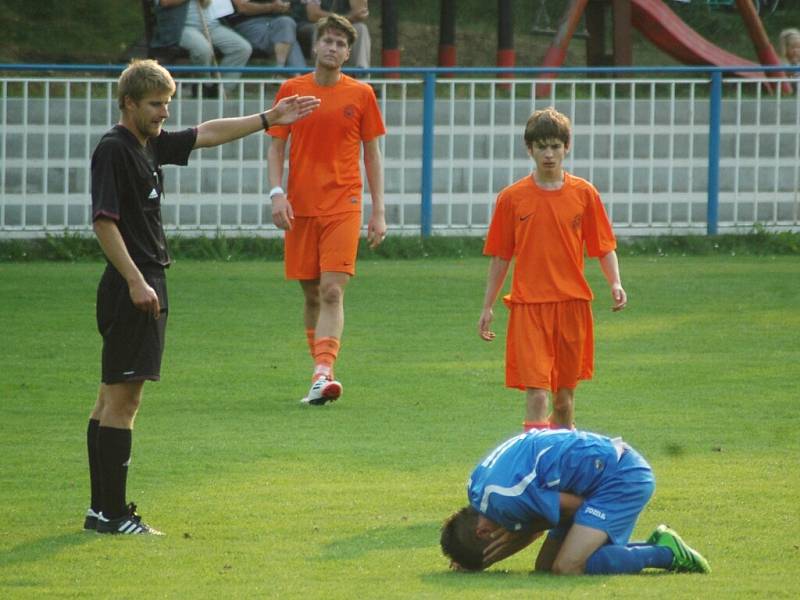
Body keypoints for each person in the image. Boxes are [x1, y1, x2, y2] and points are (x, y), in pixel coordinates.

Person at [84, 59, 319, 535]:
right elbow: (103, 221)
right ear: (128, 103)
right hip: (136, 285)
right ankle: (113, 513)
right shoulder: (115, 149)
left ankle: (100, 511)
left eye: (167, 105)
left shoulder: (146, 143)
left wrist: (268, 119)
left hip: (142, 281)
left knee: (108, 400)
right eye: (155, 105)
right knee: (123, 404)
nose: (163, 114)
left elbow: (206, 133)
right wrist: (134, 279)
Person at [478, 107, 627, 432]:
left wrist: (615, 282)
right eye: (542, 146)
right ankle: (537, 463)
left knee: (563, 398)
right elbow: (501, 256)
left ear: (566, 147)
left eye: (555, 146)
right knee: (536, 391)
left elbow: (603, 245)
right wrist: (488, 305)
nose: (549, 154)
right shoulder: (512, 199)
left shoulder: (584, 194)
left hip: (572, 306)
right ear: (529, 149)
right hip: (529, 307)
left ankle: (561, 462)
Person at [267, 13, 386, 405]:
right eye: (327, 41)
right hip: (300, 207)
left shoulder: (361, 95)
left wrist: (378, 210)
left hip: (344, 205)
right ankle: (322, 372)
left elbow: (372, 154)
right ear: (315, 46)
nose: (332, 47)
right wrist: (276, 193)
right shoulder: (292, 90)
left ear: (348, 53)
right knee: (312, 296)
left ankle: (321, 372)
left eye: (340, 43)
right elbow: (276, 146)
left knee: (332, 291)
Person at [440, 427, 711, 575]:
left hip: (620, 477)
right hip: (590, 477)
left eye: (491, 551)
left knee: (569, 566)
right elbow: (537, 519)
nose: (499, 549)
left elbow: (575, 507)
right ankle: (648, 546)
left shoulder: (509, 500)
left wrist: (526, 532)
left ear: (483, 531)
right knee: (546, 567)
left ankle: (667, 552)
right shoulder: (476, 487)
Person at [151, 0, 252, 95]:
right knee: (203, 50)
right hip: (182, 28)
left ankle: (221, 92)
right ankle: (204, 87)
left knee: (242, 48)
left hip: (211, 26)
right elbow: (165, 2)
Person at [226, 0, 307, 70]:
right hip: (248, 24)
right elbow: (243, 8)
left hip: (276, 23)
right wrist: (271, 7)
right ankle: (294, 76)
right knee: (287, 38)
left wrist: (283, 6)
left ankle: (280, 68)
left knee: (287, 24)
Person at [290, 0, 371, 70]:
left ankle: (362, 73)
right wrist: (346, 18)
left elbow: (360, 13)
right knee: (321, 28)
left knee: (361, 28)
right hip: (309, 25)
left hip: (343, 24)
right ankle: (319, 72)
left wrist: (352, 15)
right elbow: (313, 15)